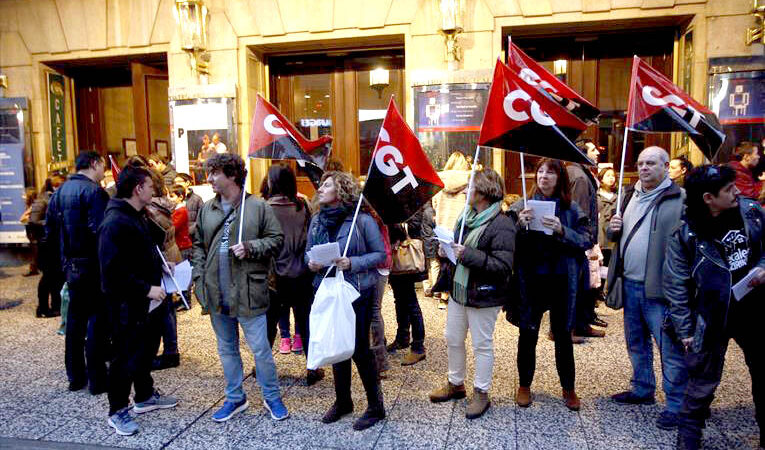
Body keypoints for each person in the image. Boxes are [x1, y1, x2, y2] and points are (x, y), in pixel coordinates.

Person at [664, 165, 765, 450]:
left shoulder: (752, 212)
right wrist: (685, 330)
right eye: (729, 189)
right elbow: (676, 285)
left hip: (756, 310)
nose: (737, 192)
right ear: (709, 198)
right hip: (711, 315)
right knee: (701, 382)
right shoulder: (686, 233)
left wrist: (762, 267)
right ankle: (689, 439)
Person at [192, 153, 289, 423]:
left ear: (232, 175)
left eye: (214, 173)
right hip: (215, 291)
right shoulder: (206, 209)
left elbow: (276, 239)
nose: (209, 178)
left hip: (248, 291)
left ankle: (272, 396)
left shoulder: (257, 207)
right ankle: (235, 397)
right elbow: (198, 245)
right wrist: (199, 278)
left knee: (260, 349)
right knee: (226, 349)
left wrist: (251, 247)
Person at [607, 146, 688, 430]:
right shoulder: (629, 195)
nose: (644, 168)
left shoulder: (679, 199)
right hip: (630, 283)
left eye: (651, 163)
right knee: (636, 342)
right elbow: (614, 236)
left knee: (669, 348)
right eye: (641, 163)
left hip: (661, 289)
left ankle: (677, 405)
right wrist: (612, 228)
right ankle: (642, 389)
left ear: (666, 166)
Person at [98, 165, 179, 436]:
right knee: (125, 357)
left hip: (148, 301)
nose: (154, 189)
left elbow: (144, 252)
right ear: (137, 189)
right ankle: (117, 410)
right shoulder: (115, 222)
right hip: (127, 305)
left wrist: (162, 263)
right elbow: (111, 272)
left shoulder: (138, 215)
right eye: (149, 186)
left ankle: (144, 395)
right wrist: (145, 289)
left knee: (145, 350)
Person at [429, 169, 515, 420]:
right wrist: (445, 252)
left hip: (484, 295)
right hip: (459, 290)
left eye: (471, 187)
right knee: (453, 338)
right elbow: (457, 251)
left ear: (485, 192)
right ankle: (456, 384)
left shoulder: (502, 223)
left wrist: (467, 254)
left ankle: (481, 391)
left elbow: (503, 266)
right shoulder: (466, 217)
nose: (466, 191)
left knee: (481, 344)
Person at [306, 171, 386, 431]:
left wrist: (352, 262)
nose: (320, 188)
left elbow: (379, 254)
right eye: (321, 184)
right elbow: (309, 251)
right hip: (328, 288)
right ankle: (343, 402)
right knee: (337, 344)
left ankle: (376, 406)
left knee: (359, 348)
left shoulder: (361, 221)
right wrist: (312, 263)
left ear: (340, 190)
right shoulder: (317, 219)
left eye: (327, 184)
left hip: (357, 290)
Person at [508, 159, 589, 411]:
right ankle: (524, 385)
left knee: (563, 335)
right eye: (540, 171)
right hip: (531, 280)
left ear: (560, 178)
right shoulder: (521, 205)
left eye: (550, 173)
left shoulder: (572, 208)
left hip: (562, 279)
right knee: (527, 333)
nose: (543, 177)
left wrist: (563, 231)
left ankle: (568, 388)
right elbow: (506, 241)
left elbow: (587, 240)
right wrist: (518, 225)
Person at [46, 151, 110, 394]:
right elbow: (101, 232)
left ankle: (75, 377)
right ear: (94, 163)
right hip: (93, 266)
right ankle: (97, 379)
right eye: (102, 165)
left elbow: (50, 231)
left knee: (74, 321)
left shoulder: (60, 192)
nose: (103, 170)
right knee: (97, 321)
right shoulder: (94, 192)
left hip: (71, 266)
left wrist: (61, 263)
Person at [262, 165, 324, 385]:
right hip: (301, 274)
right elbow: (311, 237)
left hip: (273, 278)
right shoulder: (303, 205)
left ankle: (263, 368)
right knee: (306, 323)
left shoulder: (264, 208)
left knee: (269, 325)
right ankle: (312, 368)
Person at [568, 139, 607, 338]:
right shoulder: (579, 177)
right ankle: (571, 327)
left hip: (583, 238)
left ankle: (582, 323)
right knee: (577, 285)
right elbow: (580, 211)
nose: (597, 153)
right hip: (580, 240)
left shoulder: (580, 173)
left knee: (584, 285)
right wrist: (584, 238)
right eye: (593, 150)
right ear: (582, 152)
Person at [385, 206, 432, 366]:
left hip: (405, 255)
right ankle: (402, 337)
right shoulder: (393, 199)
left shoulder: (411, 201)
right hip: (395, 257)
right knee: (399, 299)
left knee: (410, 301)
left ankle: (418, 346)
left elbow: (415, 225)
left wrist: (396, 224)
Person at [430, 151, 472, 309]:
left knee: (444, 262)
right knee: (461, 261)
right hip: (460, 228)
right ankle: (458, 294)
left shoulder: (439, 182)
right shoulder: (469, 181)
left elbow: (434, 205)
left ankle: (443, 295)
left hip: (443, 228)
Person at [29, 177, 64, 318]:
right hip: (45, 244)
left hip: (53, 243)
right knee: (47, 278)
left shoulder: (52, 198)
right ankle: (42, 308)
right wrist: (52, 221)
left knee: (56, 276)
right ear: (54, 186)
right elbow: (34, 221)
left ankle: (56, 306)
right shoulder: (41, 200)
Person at [169, 184, 193, 308]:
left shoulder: (181, 211)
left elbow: (174, 226)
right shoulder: (178, 210)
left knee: (184, 274)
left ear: (180, 197)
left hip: (184, 246)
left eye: (172, 196)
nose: (170, 198)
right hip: (180, 245)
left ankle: (186, 299)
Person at [597, 167, 618, 262]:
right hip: (600, 233)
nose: (611, 178)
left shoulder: (618, 196)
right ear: (601, 178)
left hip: (612, 234)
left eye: (613, 176)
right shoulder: (595, 195)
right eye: (608, 175)